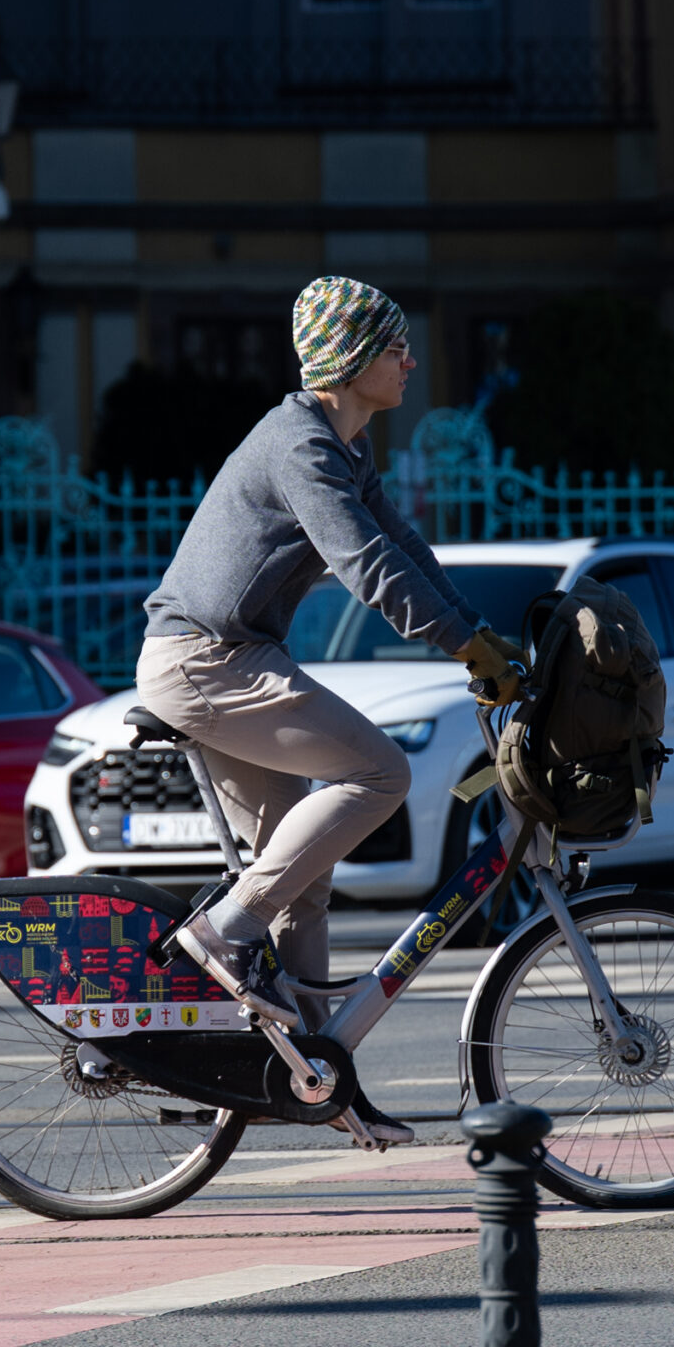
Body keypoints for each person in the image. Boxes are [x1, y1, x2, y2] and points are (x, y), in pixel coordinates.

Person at [137, 275, 525, 1144]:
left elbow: (406, 548)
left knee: (302, 882)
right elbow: (368, 570)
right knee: (380, 770)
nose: (410, 360)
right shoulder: (300, 447)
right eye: (394, 347)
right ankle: (221, 933)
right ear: (352, 362)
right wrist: (464, 648)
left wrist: (479, 633)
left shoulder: (342, 447)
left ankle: (314, 1074)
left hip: (233, 656)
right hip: (206, 660)